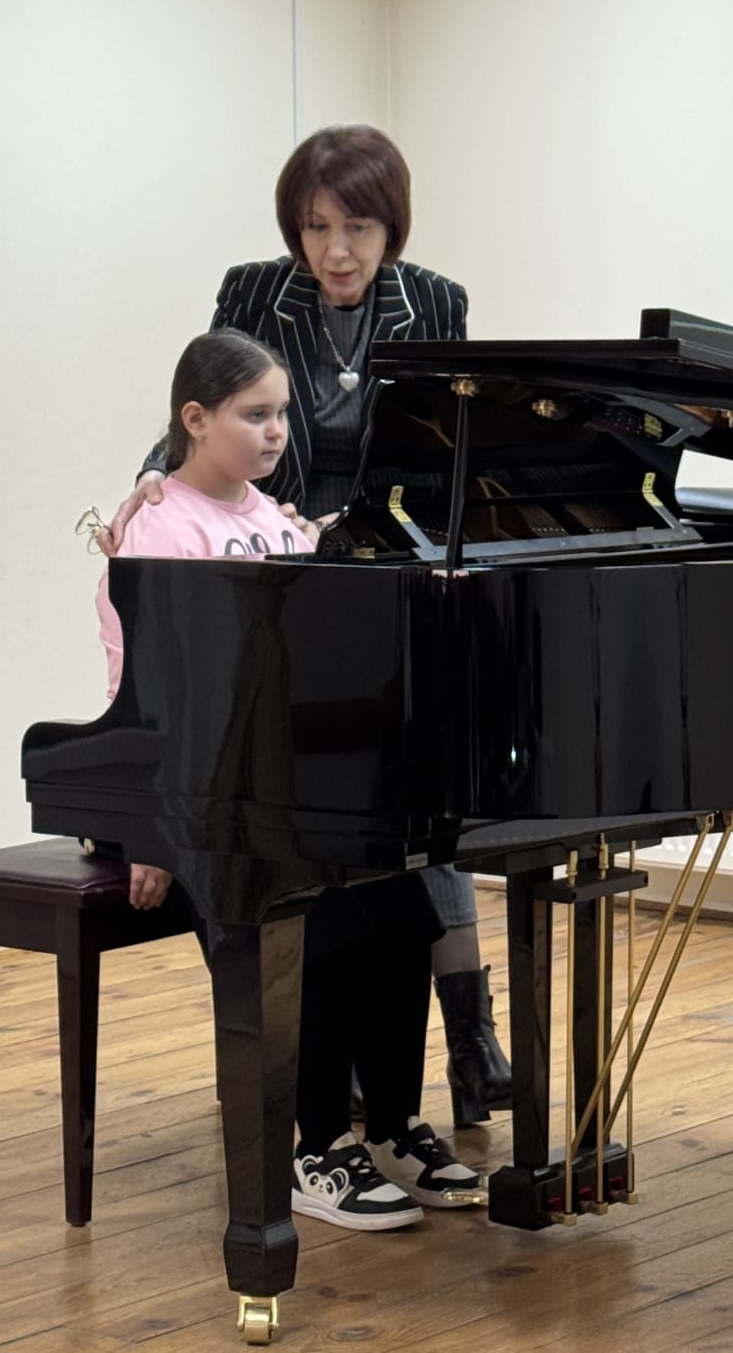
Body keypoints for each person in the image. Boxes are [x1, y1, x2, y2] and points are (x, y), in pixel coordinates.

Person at [103, 124, 511, 1126]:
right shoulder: (254, 292)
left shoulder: (437, 303)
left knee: (420, 783)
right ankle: (330, 1059)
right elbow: (207, 398)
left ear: (391, 228)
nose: (335, 249)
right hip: (270, 555)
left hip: (370, 557)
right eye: (316, 226)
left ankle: (469, 1037)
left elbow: (442, 446)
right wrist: (156, 482)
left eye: (357, 227)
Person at [98, 327, 481, 1229]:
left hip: (292, 783)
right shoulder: (163, 525)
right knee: (325, 915)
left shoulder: (274, 518)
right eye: (253, 415)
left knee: (404, 903)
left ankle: (393, 1125)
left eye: (281, 415)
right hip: (204, 793)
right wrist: (144, 833)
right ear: (196, 419)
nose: (275, 432)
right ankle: (314, 1147)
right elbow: (144, 686)